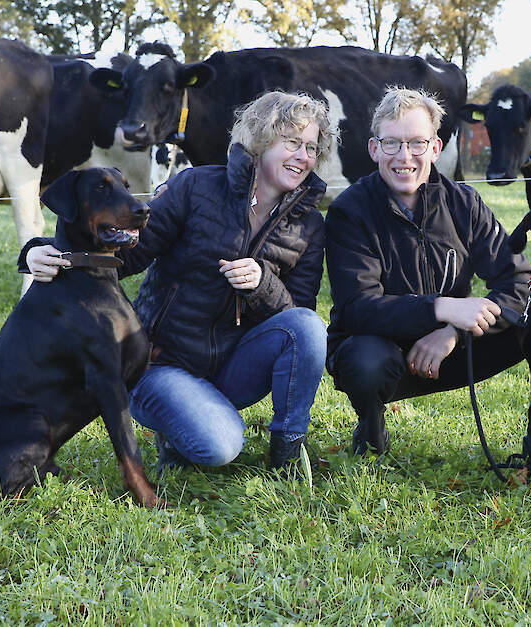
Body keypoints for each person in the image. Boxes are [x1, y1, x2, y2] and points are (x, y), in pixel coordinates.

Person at [23, 91, 337, 473]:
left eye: (310, 147)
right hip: (161, 363)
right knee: (220, 447)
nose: (303, 156)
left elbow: (297, 312)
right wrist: (42, 251)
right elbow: (126, 254)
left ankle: (287, 449)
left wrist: (263, 283)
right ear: (261, 139)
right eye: (291, 142)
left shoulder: (309, 224)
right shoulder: (197, 187)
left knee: (307, 326)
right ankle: (175, 424)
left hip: (234, 364)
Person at [325, 87, 531, 456]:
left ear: (435, 148)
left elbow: (519, 281)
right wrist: (441, 308)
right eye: (391, 144)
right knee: (365, 360)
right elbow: (357, 307)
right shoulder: (349, 211)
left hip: (452, 349)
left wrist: (453, 330)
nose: (404, 157)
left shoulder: (464, 203)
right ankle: (371, 429)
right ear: (374, 149)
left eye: (417, 143)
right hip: (380, 350)